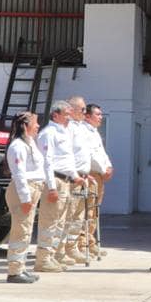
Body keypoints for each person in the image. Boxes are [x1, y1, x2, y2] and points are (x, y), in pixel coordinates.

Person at [35, 101, 84, 272]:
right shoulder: (48, 133)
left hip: (65, 181)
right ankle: (42, 259)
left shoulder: (63, 132)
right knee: (49, 221)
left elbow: (66, 160)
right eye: (66, 114)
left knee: (60, 222)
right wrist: (51, 187)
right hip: (55, 180)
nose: (69, 118)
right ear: (55, 115)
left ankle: (52, 255)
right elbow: (47, 161)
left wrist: (75, 176)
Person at [3, 112, 44, 283]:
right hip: (24, 190)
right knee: (20, 231)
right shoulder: (18, 146)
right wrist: (26, 198)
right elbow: (19, 174)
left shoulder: (29, 143)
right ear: (26, 125)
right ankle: (14, 271)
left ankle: (20, 267)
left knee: (26, 231)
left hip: (33, 188)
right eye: (35, 123)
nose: (38, 126)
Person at [80, 103, 113, 259]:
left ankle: (90, 241)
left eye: (101, 114)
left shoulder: (94, 132)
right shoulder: (83, 131)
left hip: (99, 174)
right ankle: (82, 243)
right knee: (87, 210)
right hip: (91, 173)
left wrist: (108, 166)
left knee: (95, 210)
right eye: (97, 114)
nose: (100, 117)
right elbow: (89, 155)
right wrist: (102, 169)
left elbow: (101, 152)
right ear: (87, 116)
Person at [65, 95, 94, 264]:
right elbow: (67, 154)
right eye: (82, 109)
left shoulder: (81, 127)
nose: (85, 112)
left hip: (83, 177)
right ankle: (62, 250)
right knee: (68, 215)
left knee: (79, 216)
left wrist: (86, 173)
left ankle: (73, 247)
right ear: (72, 109)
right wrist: (75, 174)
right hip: (72, 178)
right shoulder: (67, 127)